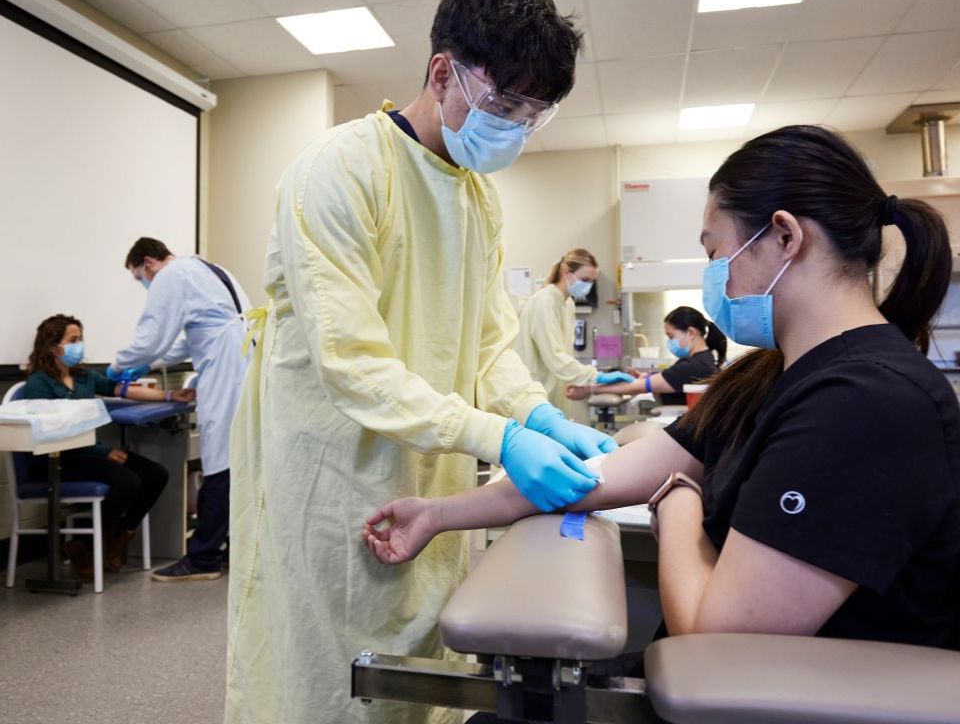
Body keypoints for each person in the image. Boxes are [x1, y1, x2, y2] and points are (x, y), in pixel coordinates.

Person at [365, 127, 960, 710]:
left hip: (775, 699)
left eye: (714, 252)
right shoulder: (771, 376)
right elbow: (605, 474)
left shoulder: (868, 403)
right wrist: (440, 514)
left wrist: (677, 503)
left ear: (784, 236)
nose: (714, 277)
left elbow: (718, 638)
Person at [225, 0, 615, 724]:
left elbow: (489, 346)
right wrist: (495, 433)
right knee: (331, 672)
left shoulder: (476, 197)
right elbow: (353, 362)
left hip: (428, 461)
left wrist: (534, 415)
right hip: (331, 469)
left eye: (533, 117)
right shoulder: (337, 171)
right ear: (443, 73)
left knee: (425, 662)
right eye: (505, 105)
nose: (515, 130)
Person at [107, 237, 250, 582]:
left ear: (148, 263)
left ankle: (203, 558)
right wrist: (151, 362)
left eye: (139, 276)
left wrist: (118, 365)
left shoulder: (171, 276)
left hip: (225, 366)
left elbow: (151, 336)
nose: (144, 283)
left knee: (219, 460)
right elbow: (188, 338)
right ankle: (233, 547)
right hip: (243, 359)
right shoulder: (208, 268)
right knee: (240, 459)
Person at [23, 314, 192, 580]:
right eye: (73, 340)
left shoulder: (84, 377)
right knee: (127, 482)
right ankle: (86, 545)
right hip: (60, 458)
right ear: (54, 346)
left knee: (156, 474)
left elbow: (122, 390)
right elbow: (54, 432)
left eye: (80, 339)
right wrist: (104, 453)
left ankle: (116, 539)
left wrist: (170, 395)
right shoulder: (39, 384)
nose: (79, 345)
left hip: (89, 453)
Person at [515, 248, 634, 410]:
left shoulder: (567, 303)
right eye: (584, 279)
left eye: (592, 281)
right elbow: (554, 356)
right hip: (536, 390)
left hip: (554, 389)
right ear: (566, 272)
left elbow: (564, 353)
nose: (588, 286)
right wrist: (595, 376)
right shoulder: (543, 302)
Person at [566, 306, 725, 406]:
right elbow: (668, 380)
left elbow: (636, 387)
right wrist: (647, 377)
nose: (670, 342)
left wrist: (589, 389)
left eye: (671, 336)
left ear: (691, 332)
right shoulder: (704, 359)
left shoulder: (693, 366)